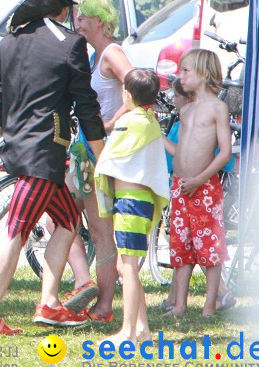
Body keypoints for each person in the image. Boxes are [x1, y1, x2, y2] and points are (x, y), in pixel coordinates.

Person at [0, 0, 106, 337]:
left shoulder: (8, 41)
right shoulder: (71, 44)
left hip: (18, 147)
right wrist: (101, 151)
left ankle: (49, 303)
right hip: (43, 154)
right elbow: (86, 105)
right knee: (15, 230)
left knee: (67, 222)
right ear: (62, 8)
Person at [61, 0, 133, 320]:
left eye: (82, 17)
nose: (77, 23)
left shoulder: (111, 54)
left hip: (99, 152)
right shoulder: (93, 56)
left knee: (102, 232)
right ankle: (83, 280)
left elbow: (139, 90)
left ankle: (103, 307)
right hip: (83, 151)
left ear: (100, 22)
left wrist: (110, 122)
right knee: (58, 217)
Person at [92, 68, 170, 346]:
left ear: (127, 94)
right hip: (139, 204)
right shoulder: (148, 121)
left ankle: (127, 332)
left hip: (131, 204)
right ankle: (142, 330)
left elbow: (108, 157)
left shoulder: (132, 122)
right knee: (126, 267)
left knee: (129, 268)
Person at [161, 48, 232, 316]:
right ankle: (180, 304)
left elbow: (224, 152)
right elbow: (181, 151)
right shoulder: (187, 110)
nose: (181, 76)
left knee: (210, 246)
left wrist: (200, 179)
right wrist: (158, 137)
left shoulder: (218, 108)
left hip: (204, 187)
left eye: (186, 71)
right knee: (182, 245)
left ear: (203, 74)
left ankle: (209, 305)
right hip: (181, 186)